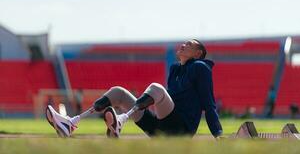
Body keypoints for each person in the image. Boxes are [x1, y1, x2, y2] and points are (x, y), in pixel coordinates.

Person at [46, 39, 223, 138]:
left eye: (189, 44)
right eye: (184, 43)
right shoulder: (175, 69)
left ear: (199, 53)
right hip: (162, 127)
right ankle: (71, 123)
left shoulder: (201, 68)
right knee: (118, 92)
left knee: (156, 88)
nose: (183, 45)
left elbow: (209, 104)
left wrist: (218, 133)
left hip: (181, 130)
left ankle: (121, 120)